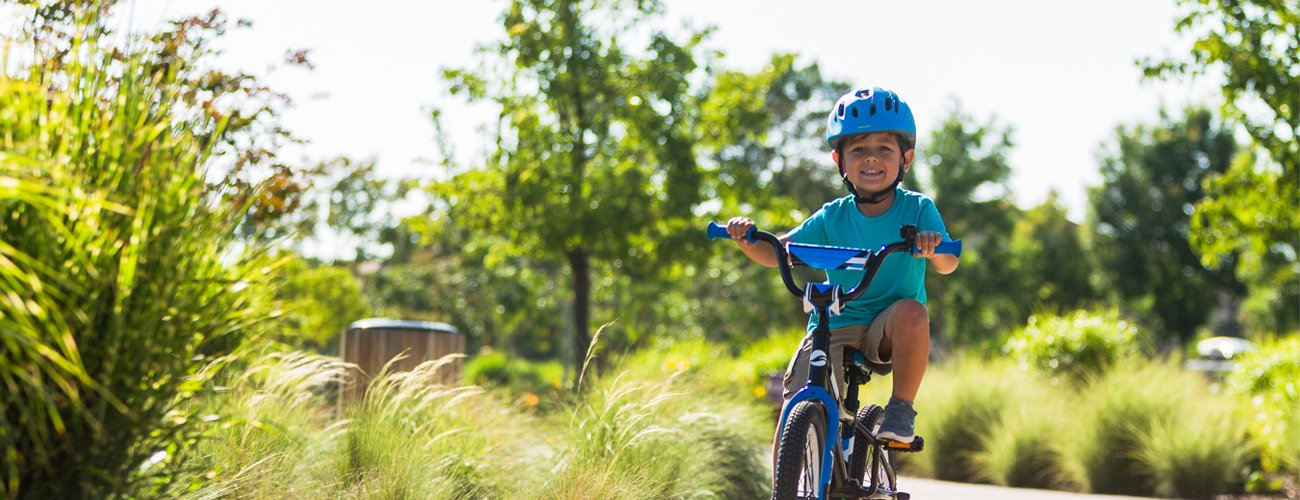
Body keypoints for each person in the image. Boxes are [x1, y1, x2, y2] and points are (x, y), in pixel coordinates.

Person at [725, 86, 958, 444]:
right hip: (834, 324)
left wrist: (932, 246)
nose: (871, 158)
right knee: (796, 412)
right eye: (859, 149)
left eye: (884, 149)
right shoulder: (832, 217)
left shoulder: (918, 209)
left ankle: (900, 410)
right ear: (840, 161)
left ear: (905, 159)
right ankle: (786, 484)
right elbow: (779, 252)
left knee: (913, 311)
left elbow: (948, 263)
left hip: (889, 329)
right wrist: (748, 239)